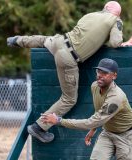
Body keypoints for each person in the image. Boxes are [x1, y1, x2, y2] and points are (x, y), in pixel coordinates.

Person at [7, 1, 123, 143]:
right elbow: (116, 42)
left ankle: (16, 40)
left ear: (105, 8)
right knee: (69, 99)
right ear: (117, 13)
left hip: (60, 41)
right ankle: (39, 127)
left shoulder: (90, 15)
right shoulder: (115, 20)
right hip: (69, 57)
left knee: (43, 40)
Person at [40, 58, 132, 160]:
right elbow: (99, 111)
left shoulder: (116, 97)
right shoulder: (95, 86)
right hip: (108, 133)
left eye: (105, 73)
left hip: (127, 136)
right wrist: (93, 129)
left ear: (114, 75)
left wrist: (59, 120)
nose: (100, 75)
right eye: (98, 71)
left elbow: (92, 121)